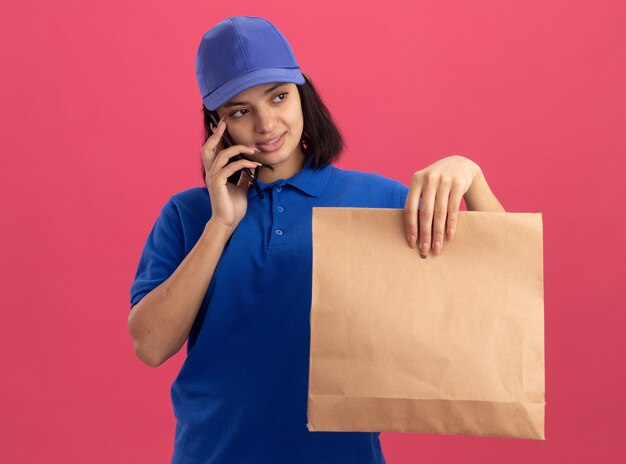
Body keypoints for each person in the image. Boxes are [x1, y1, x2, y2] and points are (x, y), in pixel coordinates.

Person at [128, 15, 505, 464]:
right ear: (217, 125)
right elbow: (150, 345)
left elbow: (500, 285)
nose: (267, 124)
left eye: (279, 97)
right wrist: (220, 225)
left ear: (302, 93)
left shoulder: (378, 201)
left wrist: (472, 177)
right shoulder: (187, 215)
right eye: (240, 111)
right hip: (213, 454)